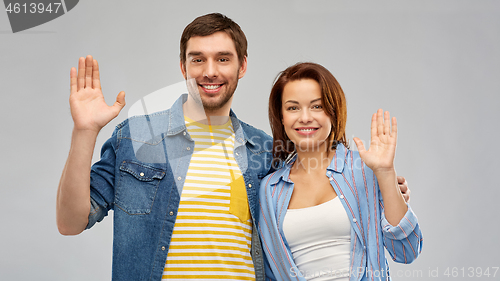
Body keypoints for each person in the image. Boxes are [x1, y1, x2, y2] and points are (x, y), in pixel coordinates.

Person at [56, 13, 411, 281]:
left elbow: (314, 210)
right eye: (198, 59)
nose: (210, 71)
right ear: (183, 66)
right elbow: (70, 223)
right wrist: (84, 132)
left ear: (242, 66)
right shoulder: (136, 137)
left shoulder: (265, 153)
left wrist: (380, 186)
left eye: (223, 59)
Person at [258, 62, 423, 281]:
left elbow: (407, 252)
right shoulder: (269, 190)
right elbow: (270, 274)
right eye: (293, 107)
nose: (305, 117)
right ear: (281, 117)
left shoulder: (365, 171)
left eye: (316, 106)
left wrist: (385, 173)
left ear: (333, 112)